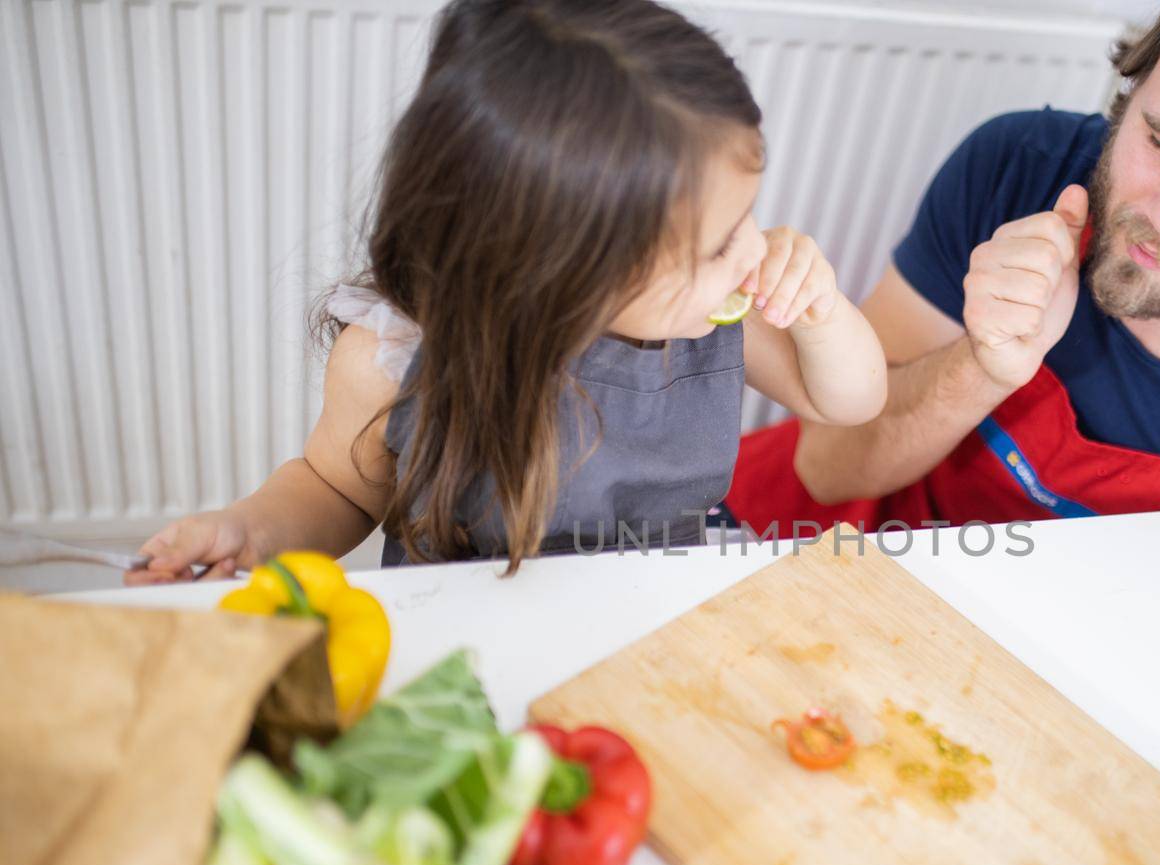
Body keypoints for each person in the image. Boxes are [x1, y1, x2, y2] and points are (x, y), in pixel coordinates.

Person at [129, 0, 885, 583]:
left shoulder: (718, 313)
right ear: (566, 270)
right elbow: (337, 489)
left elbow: (849, 402)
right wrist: (251, 531)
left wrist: (820, 312)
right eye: (721, 242)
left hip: (655, 627)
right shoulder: (392, 358)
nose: (754, 249)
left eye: (749, 216)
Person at [724, 0, 1160, 537]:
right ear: (1136, 85)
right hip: (819, 538)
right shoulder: (1014, 167)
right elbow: (828, 467)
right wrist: (983, 365)